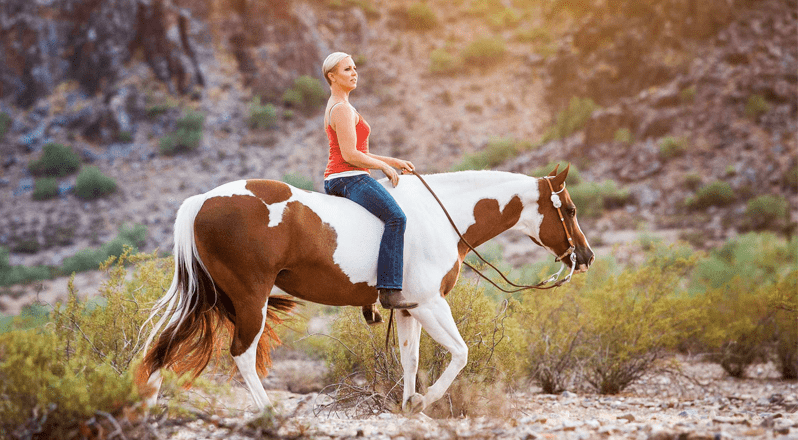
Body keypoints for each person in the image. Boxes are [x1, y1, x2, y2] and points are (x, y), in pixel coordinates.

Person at [321, 51, 417, 311]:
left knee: (376, 228)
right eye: (346, 70)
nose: (354, 73)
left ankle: (366, 297)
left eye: (354, 68)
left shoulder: (343, 106)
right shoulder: (340, 108)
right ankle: (389, 291)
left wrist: (393, 161)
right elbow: (351, 156)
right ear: (332, 76)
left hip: (344, 176)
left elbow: (358, 151)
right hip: (348, 178)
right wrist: (383, 166)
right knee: (397, 219)